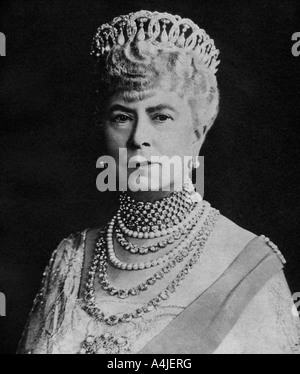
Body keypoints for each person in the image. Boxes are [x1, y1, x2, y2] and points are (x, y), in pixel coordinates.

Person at [17, 10, 300, 354]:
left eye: (161, 116)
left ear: (199, 130)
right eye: (122, 117)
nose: (139, 137)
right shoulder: (70, 259)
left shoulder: (249, 268)